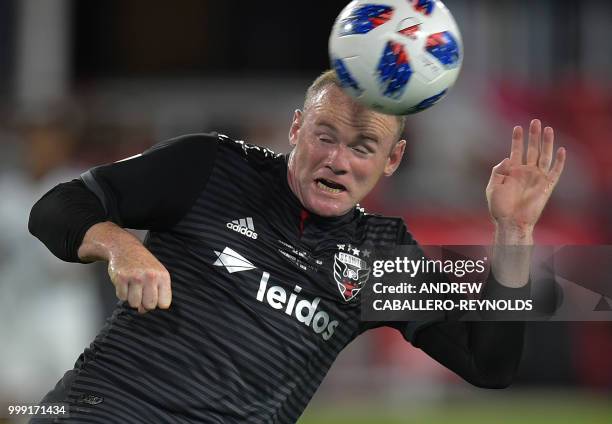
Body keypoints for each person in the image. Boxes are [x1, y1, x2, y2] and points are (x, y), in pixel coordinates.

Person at [28, 70, 566, 423]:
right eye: (325, 135)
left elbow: (489, 366)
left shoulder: (382, 253)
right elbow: (55, 207)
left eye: (363, 147)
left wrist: (513, 234)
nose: (338, 160)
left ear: (393, 160)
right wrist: (119, 244)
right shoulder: (210, 167)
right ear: (295, 128)